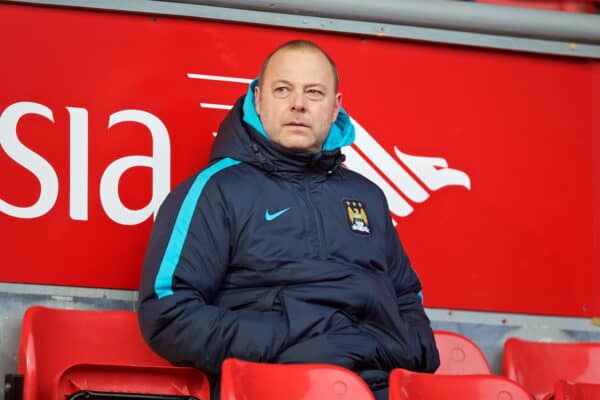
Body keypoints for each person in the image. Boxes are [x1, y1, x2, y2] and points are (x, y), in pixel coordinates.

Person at [137, 39, 439, 400]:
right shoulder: (215, 190)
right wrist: (290, 340)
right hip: (272, 389)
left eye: (314, 92)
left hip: (379, 387)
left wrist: (411, 348)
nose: (299, 103)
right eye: (283, 89)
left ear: (335, 108)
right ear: (259, 99)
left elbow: (406, 294)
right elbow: (168, 312)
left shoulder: (368, 196)